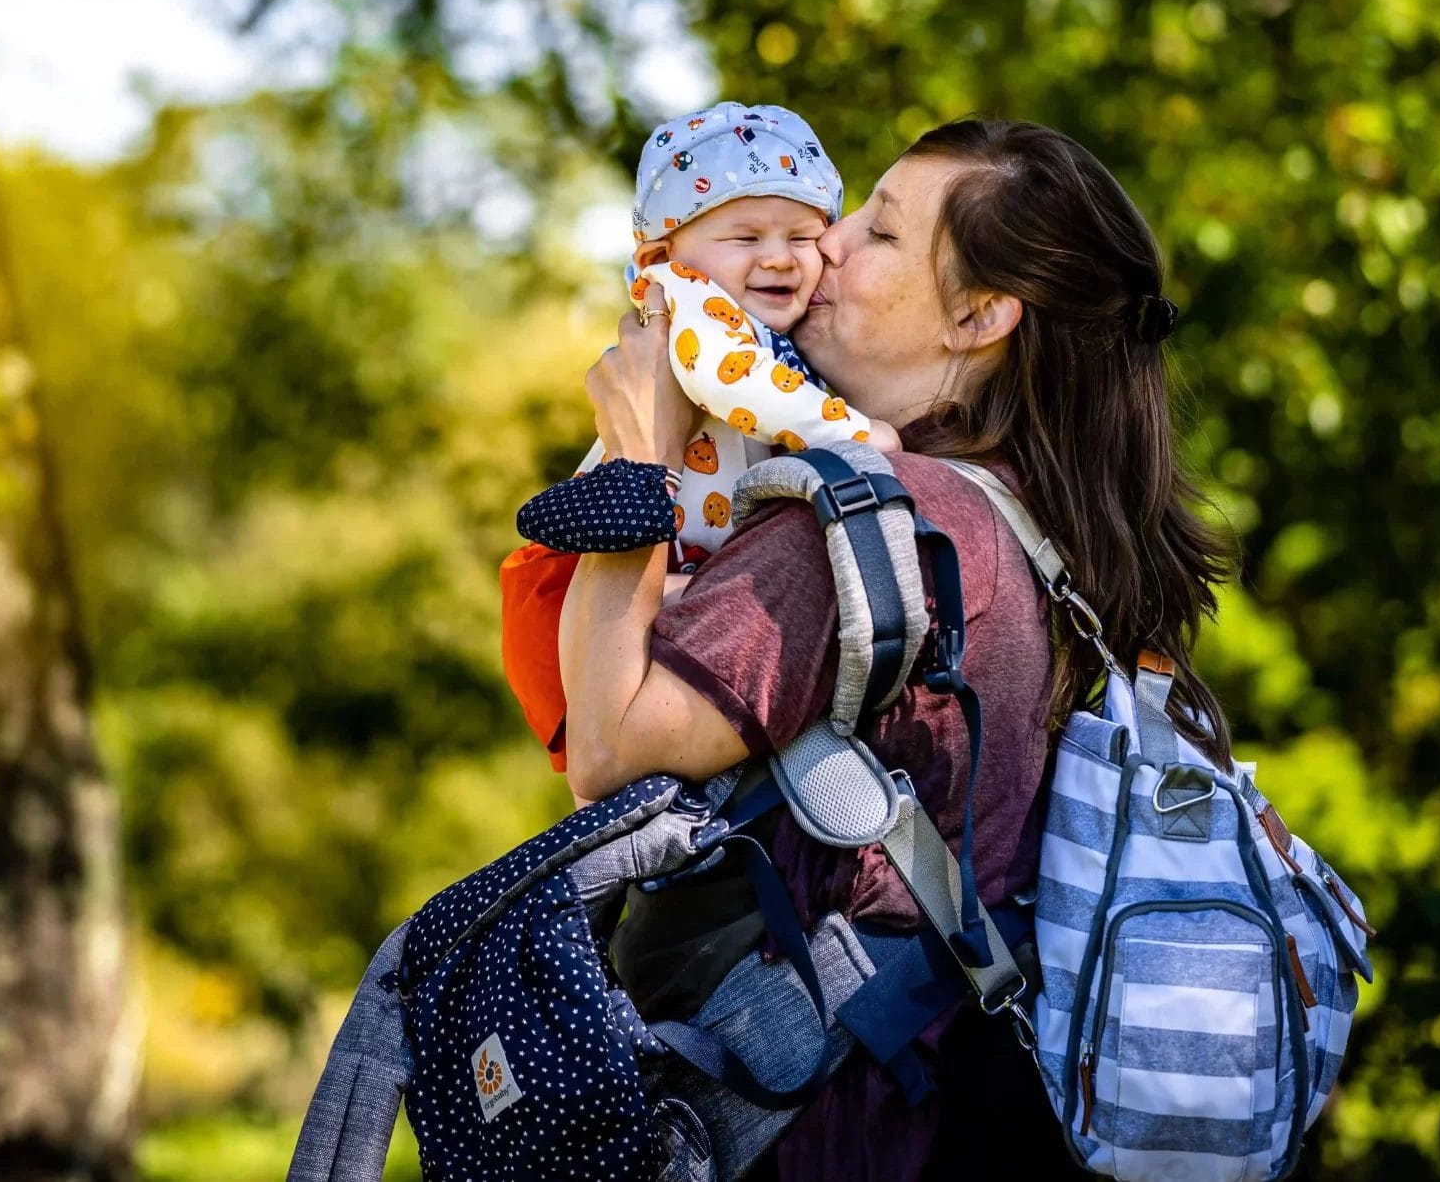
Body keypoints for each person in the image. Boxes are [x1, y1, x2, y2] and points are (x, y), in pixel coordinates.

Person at [563, 118, 1236, 1181]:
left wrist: (634, 466)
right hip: (992, 1112)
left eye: (876, 232)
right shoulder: (1066, 538)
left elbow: (608, 751)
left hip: (839, 1128)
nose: (822, 247)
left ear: (979, 317)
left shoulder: (865, 526)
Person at [501, 99, 893, 769]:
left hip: (670, 561)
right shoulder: (689, 299)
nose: (778, 258)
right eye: (745, 238)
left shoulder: (764, 325)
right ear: (664, 250)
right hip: (591, 573)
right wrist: (856, 433)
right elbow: (730, 379)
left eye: (801, 238)